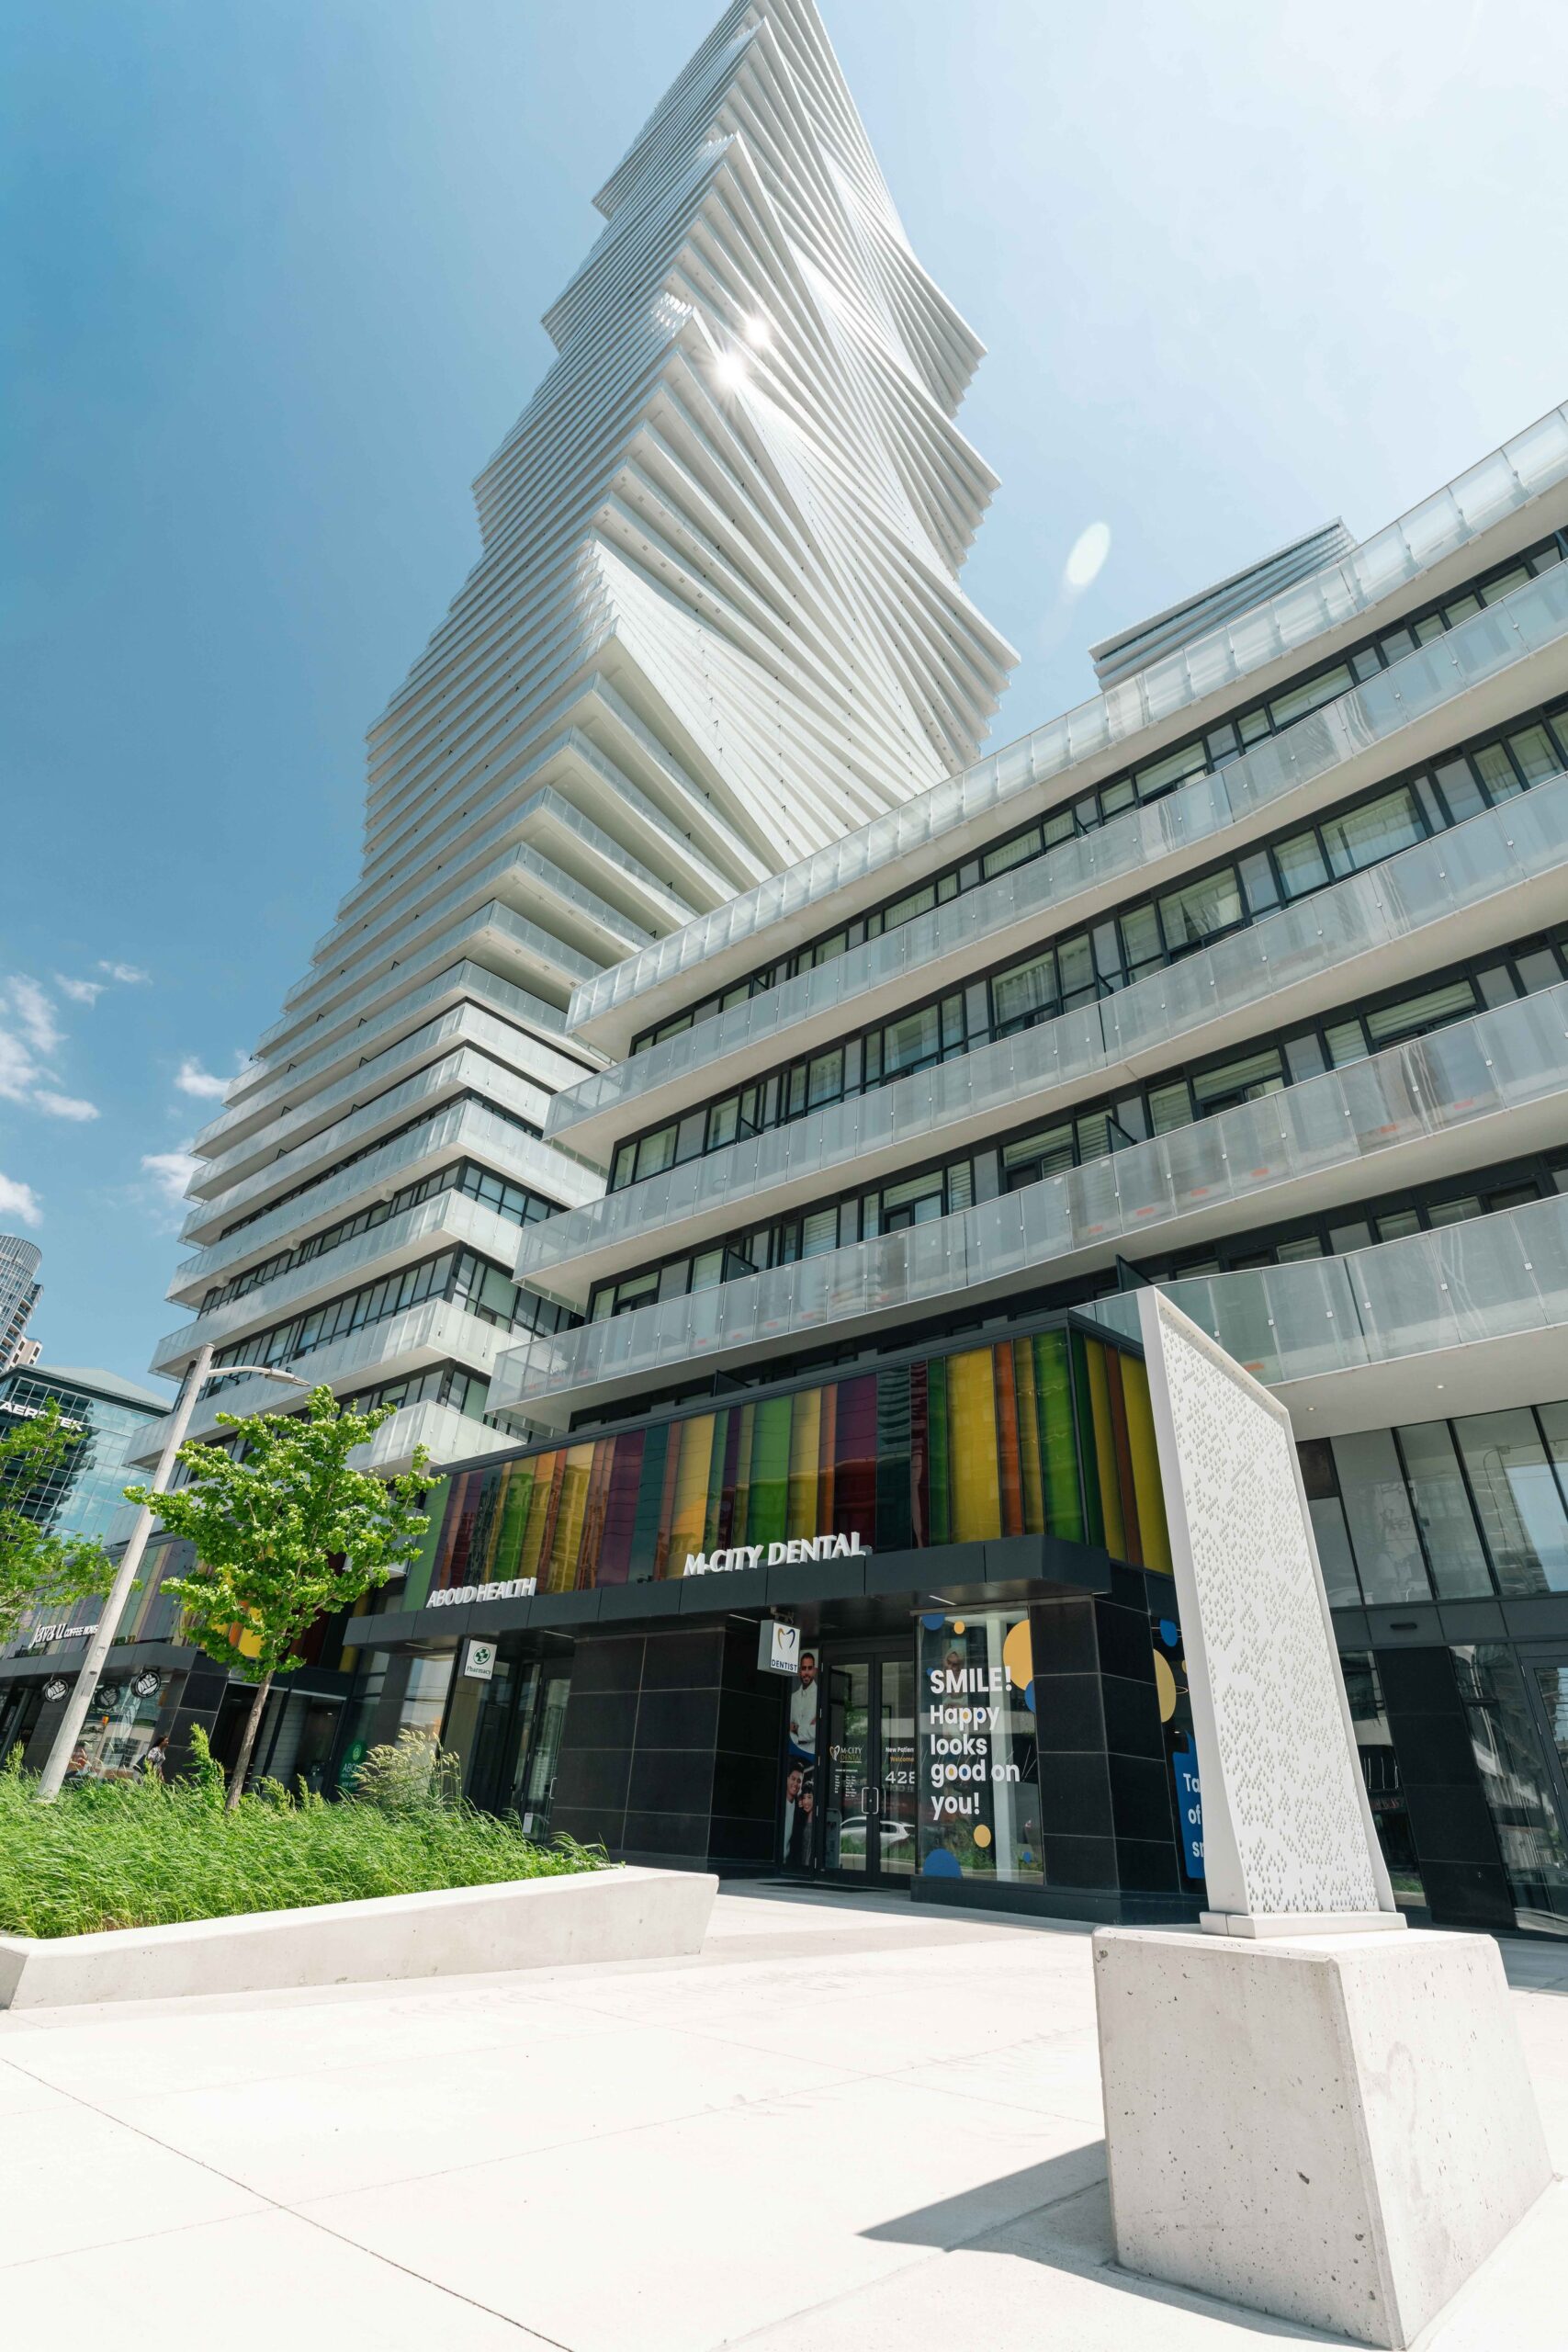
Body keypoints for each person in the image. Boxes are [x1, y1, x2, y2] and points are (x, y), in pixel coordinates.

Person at [787, 1649, 818, 1761]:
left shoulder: (820, 1696)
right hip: (792, 1749)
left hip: (811, 1753)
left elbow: (815, 1731)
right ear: (799, 1671)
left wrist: (794, 1728)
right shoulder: (793, 1697)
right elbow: (787, 1725)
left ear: (814, 1670)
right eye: (803, 1668)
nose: (806, 1672)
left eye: (809, 1668)